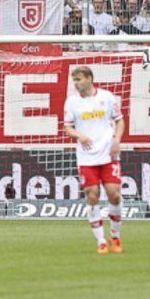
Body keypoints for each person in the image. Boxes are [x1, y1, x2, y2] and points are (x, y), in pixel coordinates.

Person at [62, 65, 125, 254]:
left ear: (89, 78)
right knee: (92, 194)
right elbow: (68, 127)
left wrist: (117, 140)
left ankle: (115, 236)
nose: (76, 84)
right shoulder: (72, 102)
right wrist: (79, 136)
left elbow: (120, 120)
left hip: (108, 153)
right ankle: (101, 241)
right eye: (74, 80)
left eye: (79, 79)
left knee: (114, 194)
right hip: (86, 157)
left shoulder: (106, 97)